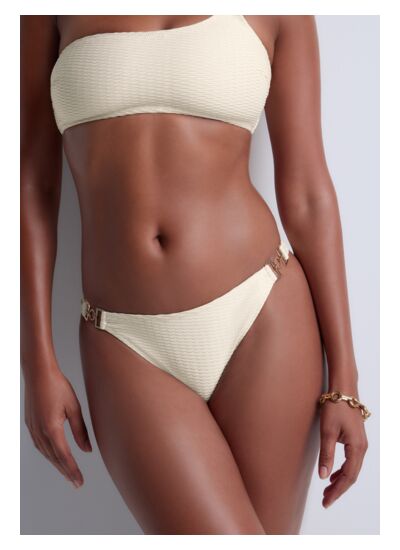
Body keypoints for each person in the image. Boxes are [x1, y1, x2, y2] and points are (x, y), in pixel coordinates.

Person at [20, 15, 370, 535]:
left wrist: (345, 381)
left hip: (261, 313)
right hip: (124, 340)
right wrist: (35, 363)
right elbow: (30, 184)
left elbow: (307, 193)